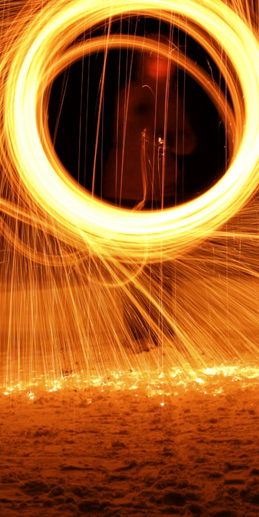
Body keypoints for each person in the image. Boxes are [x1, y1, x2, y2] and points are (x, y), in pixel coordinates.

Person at [99, 50, 197, 351]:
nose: (161, 67)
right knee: (135, 268)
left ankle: (163, 330)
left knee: (163, 268)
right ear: (144, 64)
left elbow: (189, 143)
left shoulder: (173, 101)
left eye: (165, 62)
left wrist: (176, 141)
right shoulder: (129, 96)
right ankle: (139, 333)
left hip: (163, 191)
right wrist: (151, 114)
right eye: (154, 61)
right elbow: (125, 128)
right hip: (125, 191)